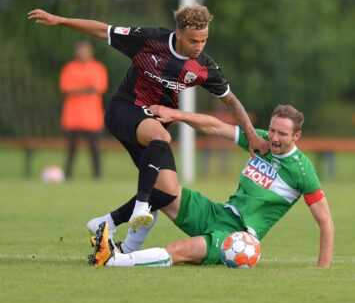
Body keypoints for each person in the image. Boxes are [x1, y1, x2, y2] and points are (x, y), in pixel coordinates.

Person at [28, 5, 268, 232]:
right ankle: (141, 206)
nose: (199, 46)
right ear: (179, 34)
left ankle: (107, 223)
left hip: (153, 124)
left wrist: (252, 134)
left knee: (167, 192)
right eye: (193, 41)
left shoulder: (204, 67)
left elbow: (232, 101)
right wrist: (60, 20)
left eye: (204, 40)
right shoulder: (149, 40)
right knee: (161, 135)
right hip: (124, 109)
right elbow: (103, 30)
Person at [89, 104, 334, 269]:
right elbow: (215, 126)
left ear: (297, 136)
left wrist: (321, 271)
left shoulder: (303, 171)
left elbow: (325, 221)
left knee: (179, 250)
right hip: (218, 212)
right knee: (163, 189)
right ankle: (126, 245)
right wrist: (177, 114)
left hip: (237, 235)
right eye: (272, 130)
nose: (274, 138)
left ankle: (113, 261)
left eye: (282, 133)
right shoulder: (260, 142)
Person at [59, 41, 108, 180]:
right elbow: (66, 88)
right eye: (80, 50)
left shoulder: (98, 68)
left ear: (90, 52)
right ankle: (67, 174)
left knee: (94, 148)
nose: (82, 53)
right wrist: (87, 88)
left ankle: (97, 175)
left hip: (92, 117)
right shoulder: (69, 68)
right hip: (72, 116)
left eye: (85, 50)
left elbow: (99, 88)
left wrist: (78, 89)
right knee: (71, 149)